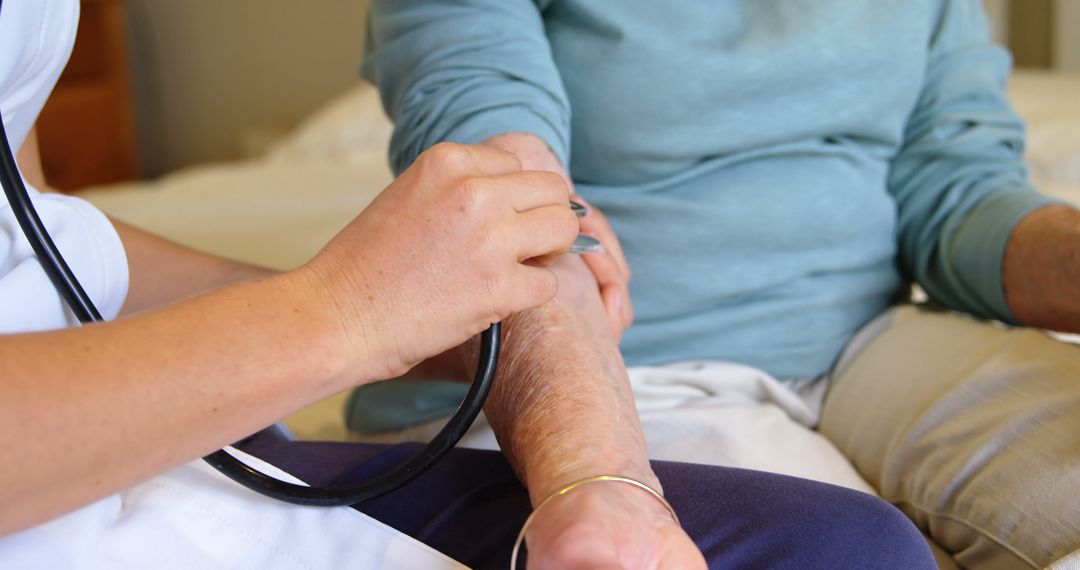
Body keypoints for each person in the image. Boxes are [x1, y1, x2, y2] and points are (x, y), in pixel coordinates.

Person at [0, 1, 937, 569]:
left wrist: (401, 315)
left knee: (855, 554)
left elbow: (35, 231)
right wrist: (338, 314)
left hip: (112, 440)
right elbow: (487, 110)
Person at [361, 0, 1080, 567]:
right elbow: (501, 178)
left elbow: (955, 191)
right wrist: (601, 480)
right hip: (614, 358)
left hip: (865, 338)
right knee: (850, 554)